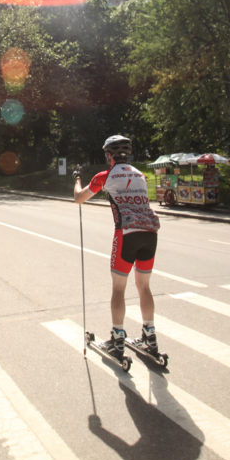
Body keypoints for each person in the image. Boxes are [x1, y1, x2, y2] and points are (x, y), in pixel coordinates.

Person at [74, 135, 161, 361]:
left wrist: (77, 179)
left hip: (127, 234)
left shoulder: (106, 175)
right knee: (144, 287)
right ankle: (150, 336)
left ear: (109, 155)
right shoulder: (140, 175)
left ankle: (117, 339)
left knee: (119, 290)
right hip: (150, 233)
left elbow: (79, 198)